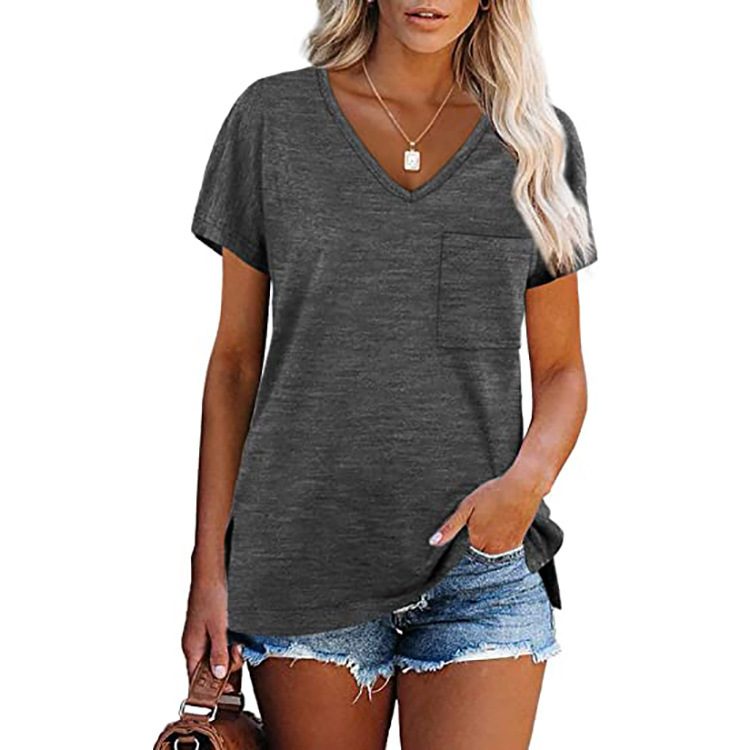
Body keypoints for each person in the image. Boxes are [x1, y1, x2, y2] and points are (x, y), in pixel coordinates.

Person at [181, 0, 598, 747]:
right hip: (303, 559)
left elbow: (563, 368)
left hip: (480, 566)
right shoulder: (272, 121)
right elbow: (235, 365)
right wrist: (208, 571)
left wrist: (523, 486)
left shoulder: (537, 144)